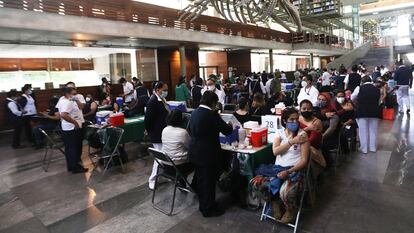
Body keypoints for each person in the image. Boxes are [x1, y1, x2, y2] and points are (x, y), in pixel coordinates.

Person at [188, 91, 233, 217]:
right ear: (213, 102)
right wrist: (229, 124)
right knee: (209, 183)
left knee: (202, 182)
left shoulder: (194, 112)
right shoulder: (211, 114)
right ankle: (208, 209)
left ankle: (204, 205)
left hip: (195, 152)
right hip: (207, 154)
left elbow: (189, 130)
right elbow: (227, 130)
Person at [271, 108, 310, 223]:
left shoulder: (302, 135)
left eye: (296, 120)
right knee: (260, 183)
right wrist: (292, 142)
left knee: (286, 192)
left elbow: (304, 160)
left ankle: (290, 209)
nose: (295, 122)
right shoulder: (279, 133)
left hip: (294, 170)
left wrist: (288, 172)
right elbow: (275, 151)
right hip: (278, 169)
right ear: (284, 121)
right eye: (291, 120)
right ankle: (274, 202)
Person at [56, 87, 87, 173]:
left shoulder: (62, 100)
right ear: (68, 94)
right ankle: (75, 167)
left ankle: (71, 166)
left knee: (69, 148)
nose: (75, 95)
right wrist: (75, 123)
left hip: (66, 127)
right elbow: (63, 115)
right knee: (74, 148)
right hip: (72, 128)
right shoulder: (68, 102)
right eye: (73, 93)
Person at [145, 81, 170, 190]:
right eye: (164, 90)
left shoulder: (161, 99)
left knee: (164, 156)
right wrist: (148, 130)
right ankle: (152, 179)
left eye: (166, 90)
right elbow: (148, 119)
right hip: (156, 133)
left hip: (163, 132)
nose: (166, 92)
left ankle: (166, 174)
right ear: (158, 90)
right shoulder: (153, 101)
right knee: (159, 158)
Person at [161, 109, 193, 186]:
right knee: (199, 161)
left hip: (166, 166)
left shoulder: (164, 130)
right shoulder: (182, 132)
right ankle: (195, 185)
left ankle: (182, 183)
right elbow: (191, 147)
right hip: (179, 167)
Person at [351, 75, 381, 154]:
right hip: (374, 111)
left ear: (362, 81)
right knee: (373, 130)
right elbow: (379, 101)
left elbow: (352, 97)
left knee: (363, 130)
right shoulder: (377, 89)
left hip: (362, 111)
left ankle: (364, 149)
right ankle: (373, 148)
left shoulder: (359, 88)